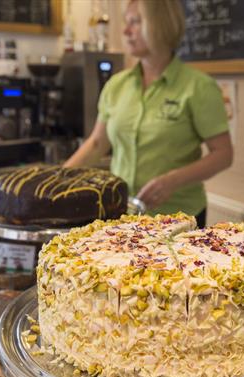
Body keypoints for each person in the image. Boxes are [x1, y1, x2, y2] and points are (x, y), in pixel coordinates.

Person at [64, 0, 233, 228]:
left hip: (179, 220)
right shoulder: (117, 85)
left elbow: (223, 154)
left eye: (135, 22)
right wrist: (57, 179)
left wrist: (172, 181)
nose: (125, 31)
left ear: (160, 25)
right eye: (126, 22)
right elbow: (96, 144)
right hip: (122, 215)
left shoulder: (199, 87)